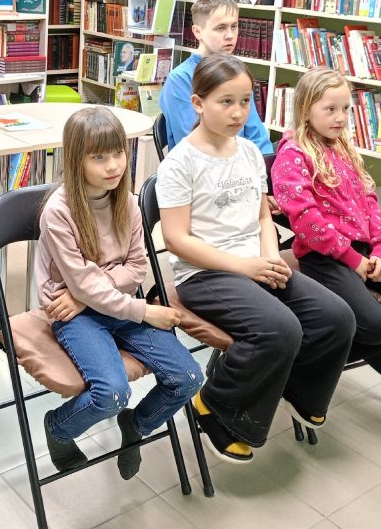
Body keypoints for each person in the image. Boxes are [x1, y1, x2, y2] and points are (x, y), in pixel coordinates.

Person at [157, 55, 354, 463]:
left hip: (257, 262)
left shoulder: (248, 151)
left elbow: (263, 215)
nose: (238, 112)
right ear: (198, 103)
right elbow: (176, 240)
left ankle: (296, 389)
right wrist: (245, 267)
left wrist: (269, 257)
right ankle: (214, 405)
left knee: (337, 317)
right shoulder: (180, 162)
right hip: (205, 273)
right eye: (226, 102)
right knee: (280, 328)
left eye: (245, 101)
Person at [36, 107, 202, 478]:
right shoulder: (58, 211)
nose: (113, 165)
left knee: (189, 378)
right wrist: (140, 309)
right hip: (74, 315)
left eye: (118, 153)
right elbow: (88, 283)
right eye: (98, 157)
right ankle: (58, 428)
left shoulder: (127, 202)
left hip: (100, 304)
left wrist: (85, 291)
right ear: (76, 159)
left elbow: (137, 268)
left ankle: (136, 425)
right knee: (112, 394)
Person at [272, 68, 381, 384]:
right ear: (305, 110)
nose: (340, 117)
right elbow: (307, 222)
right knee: (379, 325)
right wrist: (353, 261)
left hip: (366, 251)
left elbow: (369, 201)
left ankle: (346, 359)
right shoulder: (293, 154)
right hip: (323, 256)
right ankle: (303, 371)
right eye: (330, 109)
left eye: (345, 108)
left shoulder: (343, 147)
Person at [159, 0, 288, 233]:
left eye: (234, 26)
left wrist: (266, 184)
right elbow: (196, 141)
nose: (230, 35)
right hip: (208, 183)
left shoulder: (236, 73)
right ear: (198, 32)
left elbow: (257, 135)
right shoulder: (180, 80)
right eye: (220, 28)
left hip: (248, 176)